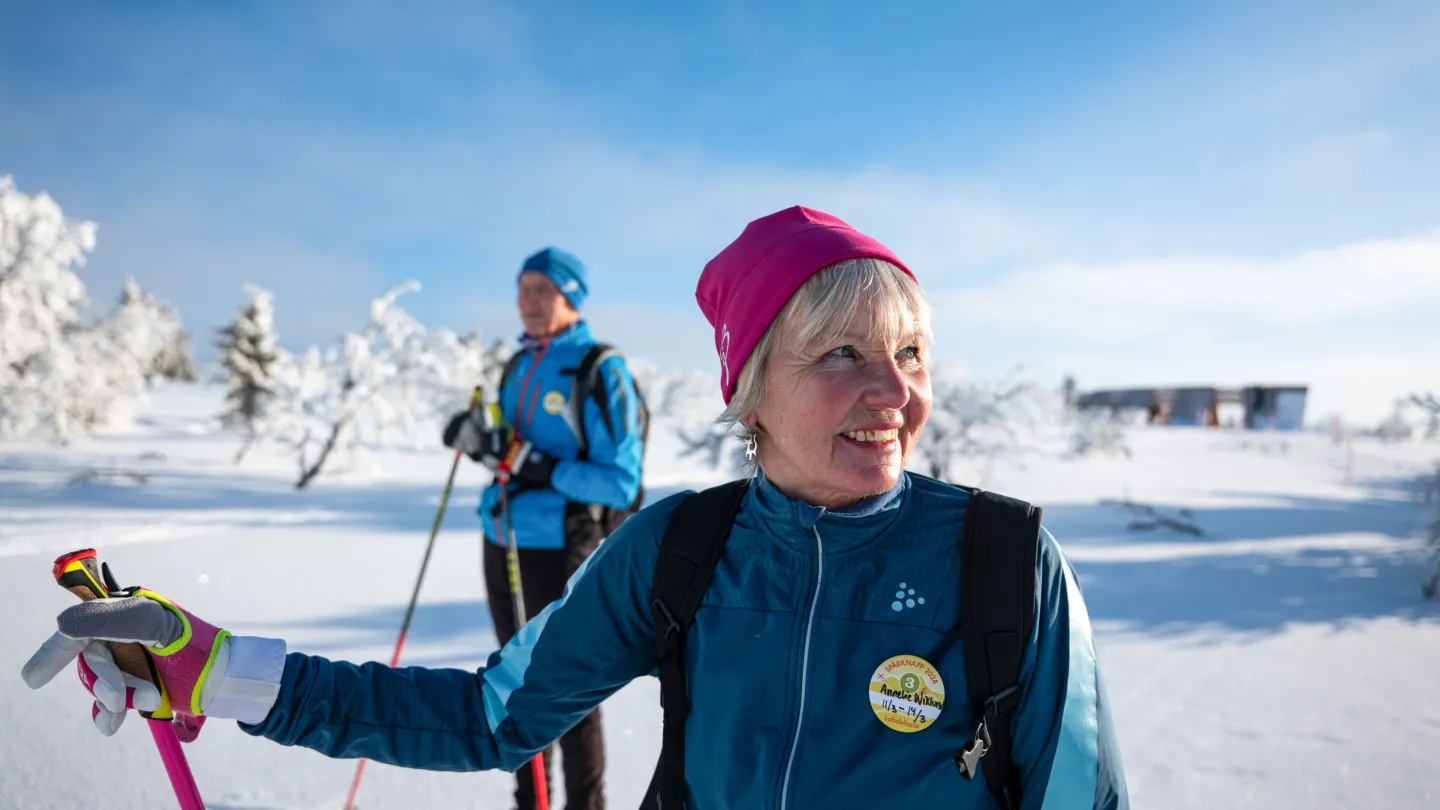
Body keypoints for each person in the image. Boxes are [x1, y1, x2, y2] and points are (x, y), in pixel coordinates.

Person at [22, 206, 1128, 809]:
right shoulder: (684, 552)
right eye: (843, 354)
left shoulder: (1003, 560)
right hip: (524, 553)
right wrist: (223, 671)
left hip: (562, 536)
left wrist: (548, 478)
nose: (895, 393)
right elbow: (487, 716)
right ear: (751, 387)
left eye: (911, 352)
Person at [439, 246, 646, 809]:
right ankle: (530, 801)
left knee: (566, 688)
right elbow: (511, 447)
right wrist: (478, 438)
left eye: (542, 290)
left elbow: (621, 483)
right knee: (512, 683)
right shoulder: (520, 362)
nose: (526, 301)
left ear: (570, 296)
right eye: (521, 288)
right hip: (501, 536)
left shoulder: (598, 368)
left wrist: (540, 466)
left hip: (560, 546)